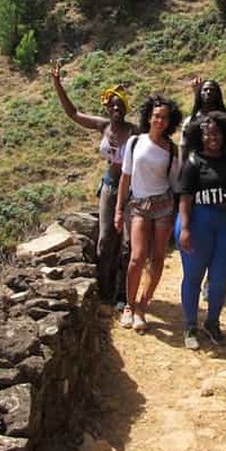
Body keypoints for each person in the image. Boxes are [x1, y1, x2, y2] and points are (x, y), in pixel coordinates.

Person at [51, 61, 137, 307]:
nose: (116, 108)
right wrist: (57, 84)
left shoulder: (135, 131)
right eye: (112, 105)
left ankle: (124, 295)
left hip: (132, 191)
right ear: (107, 108)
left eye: (120, 104)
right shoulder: (103, 126)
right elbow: (73, 114)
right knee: (106, 239)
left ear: (126, 107)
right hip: (110, 187)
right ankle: (104, 292)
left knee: (128, 243)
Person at [175, 112, 226, 349]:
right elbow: (185, 198)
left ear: (224, 134)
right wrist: (185, 229)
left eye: (217, 132)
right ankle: (190, 326)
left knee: (220, 279)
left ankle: (212, 322)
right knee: (193, 276)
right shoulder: (193, 162)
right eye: (207, 133)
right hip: (198, 222)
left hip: (225, 225)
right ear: (200, 136)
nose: (213, 137)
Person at [115, 94, 183, 331]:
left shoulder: (173, 151)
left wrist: (181, 215)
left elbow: (176, 185)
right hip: (138, 206)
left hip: (163, 206)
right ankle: (129, 306)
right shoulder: (135, 142)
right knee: (136, 257)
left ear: (170, 121)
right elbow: (125, 178)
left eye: (164, 117)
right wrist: (118, 210)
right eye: (156, 116)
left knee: (157, 258)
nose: (160, 121)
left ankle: (143, 306)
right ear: (149, 117)